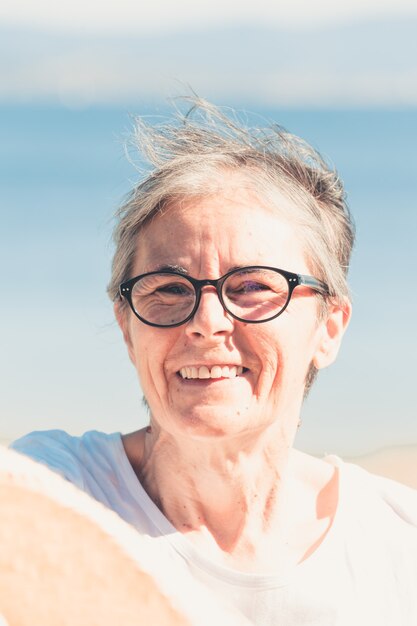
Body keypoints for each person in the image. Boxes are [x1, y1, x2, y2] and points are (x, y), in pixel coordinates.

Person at [11, 99, 417, 625]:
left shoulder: (395, 545)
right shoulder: (50, 494)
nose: (206, 320)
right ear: (127, 329)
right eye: (169, 289)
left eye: (252, 287)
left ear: (329, 327)